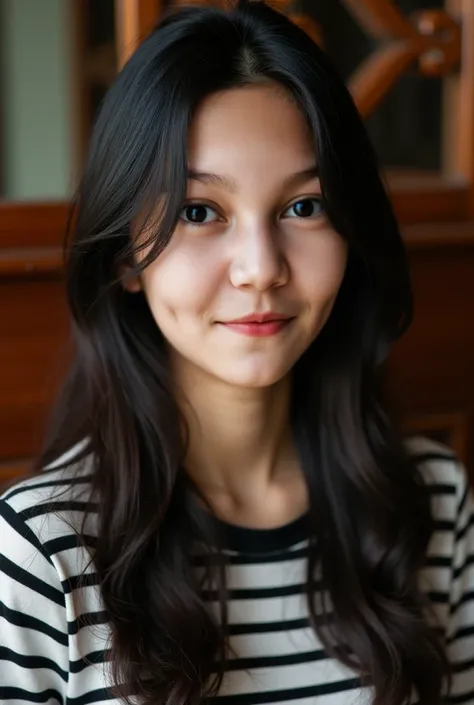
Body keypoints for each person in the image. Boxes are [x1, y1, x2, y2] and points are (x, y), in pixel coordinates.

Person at [1, 1, 473, 703]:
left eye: (304, 206)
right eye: (200, 212)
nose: (261, 267)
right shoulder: (38, 550)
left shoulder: (430, 500)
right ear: (127, 256)